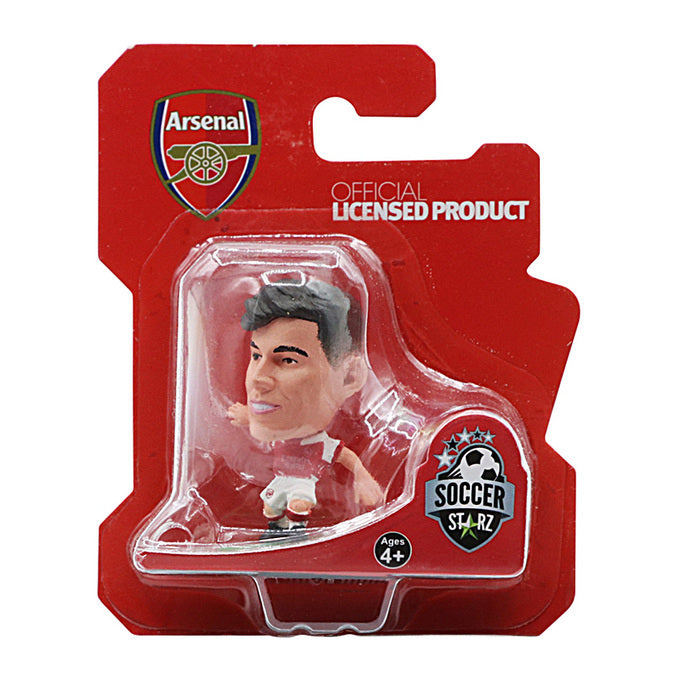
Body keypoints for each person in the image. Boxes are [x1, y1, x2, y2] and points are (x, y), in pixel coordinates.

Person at [228, 278, 382, 536]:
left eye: (288, 360)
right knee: (271, 507)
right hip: (281, 480)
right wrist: (248, 416)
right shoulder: (280, 434)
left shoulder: (321, 443)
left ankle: (297, 532)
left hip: (302, 484)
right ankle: (278, 532)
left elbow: (346, 457)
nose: (257, 379)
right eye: (256, 355)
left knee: (298, 505)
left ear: (349, 377)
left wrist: (364, 479)